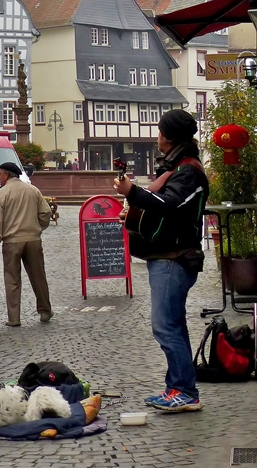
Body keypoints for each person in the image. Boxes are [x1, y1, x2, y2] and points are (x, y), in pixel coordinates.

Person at [114, 110, 208, 413]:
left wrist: (133, 193)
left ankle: (184, 391)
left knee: (165, 326)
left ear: (168, 136)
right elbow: (161, 206)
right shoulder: (176, 167)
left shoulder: (189, 171)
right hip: (166, 256)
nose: (157, 136)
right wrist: (132, 210)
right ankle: (177, 388)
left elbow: (171, 205)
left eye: (160, 131)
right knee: (173, 325)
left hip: (175, 258)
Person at [0, 162, 53, 326]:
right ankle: (45, 311)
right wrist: (38, 228)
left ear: (7, 175)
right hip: (32, 240)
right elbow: (46, 213)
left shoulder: (1, 195)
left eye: (0, 174)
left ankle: (14, 318)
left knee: (12, 280)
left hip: (12, 242)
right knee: (38, 277)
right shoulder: (33, 191)